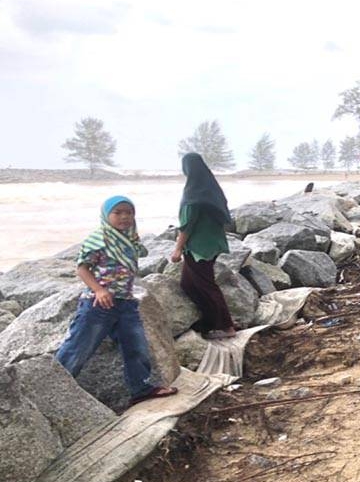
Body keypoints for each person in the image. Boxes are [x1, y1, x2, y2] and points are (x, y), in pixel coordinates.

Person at [55, 196, 178, 407]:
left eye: (128, 212)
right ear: (106, 215)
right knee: (78, 349)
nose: (124, 217)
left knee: (136, 346)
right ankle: (51, 388)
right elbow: (82, 269)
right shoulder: (99, 238)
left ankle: (141, 389)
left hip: (126, 303)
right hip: (98, 305)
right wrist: (99, 290)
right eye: (118, 212)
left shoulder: (129, 238)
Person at [170, 153, 238, 340]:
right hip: (213, 244)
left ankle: (227, 326)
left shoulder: (192, 195)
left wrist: (177, 249)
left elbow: (187, 227)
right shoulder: (211, 189)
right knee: (188, 284)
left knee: (207, 286)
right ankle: (208, 322)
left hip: (199, 249)